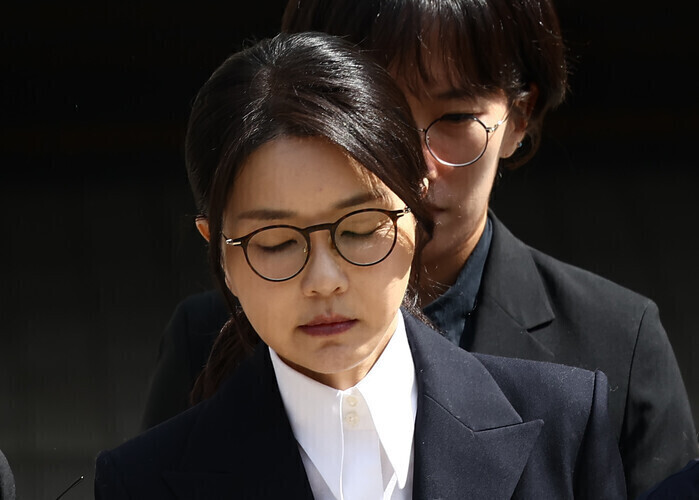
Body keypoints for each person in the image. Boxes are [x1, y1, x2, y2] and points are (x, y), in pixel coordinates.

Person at [139, 1, 697, 498]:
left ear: (519, 115)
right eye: (380, 116)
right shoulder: (202, 339)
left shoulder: (613, 344)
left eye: (455, 118)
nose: (417, 161)